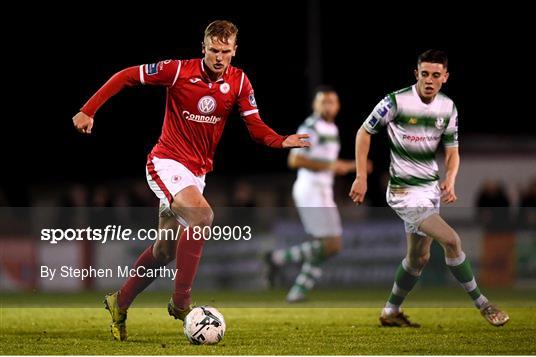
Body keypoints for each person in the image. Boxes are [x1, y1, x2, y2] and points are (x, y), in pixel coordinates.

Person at [72, 20, 309, 341]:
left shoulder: (239, 83)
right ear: (204, 47)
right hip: (165, 162)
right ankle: (181, 302)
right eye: (214, 50)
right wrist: (89, 109)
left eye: (226, 51)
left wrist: (281, 140)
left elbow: (255, 127)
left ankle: (119, 301)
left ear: (234, 51)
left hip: (195, 175)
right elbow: (126, 76)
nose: (219, 57)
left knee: (165, 250)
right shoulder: (177, 71)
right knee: (203, 216)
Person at [349, 49, 509, 327]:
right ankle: (483, 304)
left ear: (445, 77)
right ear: (416, 74)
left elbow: (452, 151)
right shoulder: (395, 102)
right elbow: (364, 132)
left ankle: (390, 311)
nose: (429, 80)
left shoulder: (447, 108)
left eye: (436, 75)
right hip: (403, 192)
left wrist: (451, 178)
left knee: (418, 259)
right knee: (452, 240)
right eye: (425, 74)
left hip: (429, 190)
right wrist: (361, 176)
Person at [265, 87, 356, 302]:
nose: (328, 106)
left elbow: (329, 163)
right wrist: (332, 165)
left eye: (332, 102)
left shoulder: (331, 128)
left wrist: (349, 166)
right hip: (310, 189)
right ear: (315, 105)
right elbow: (294, 160)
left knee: (328, 247)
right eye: (323, 102)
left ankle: (296, 291)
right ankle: (277, 259)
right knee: (330, 244)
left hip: (323, 191)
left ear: (338, 106)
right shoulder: (311, 127)